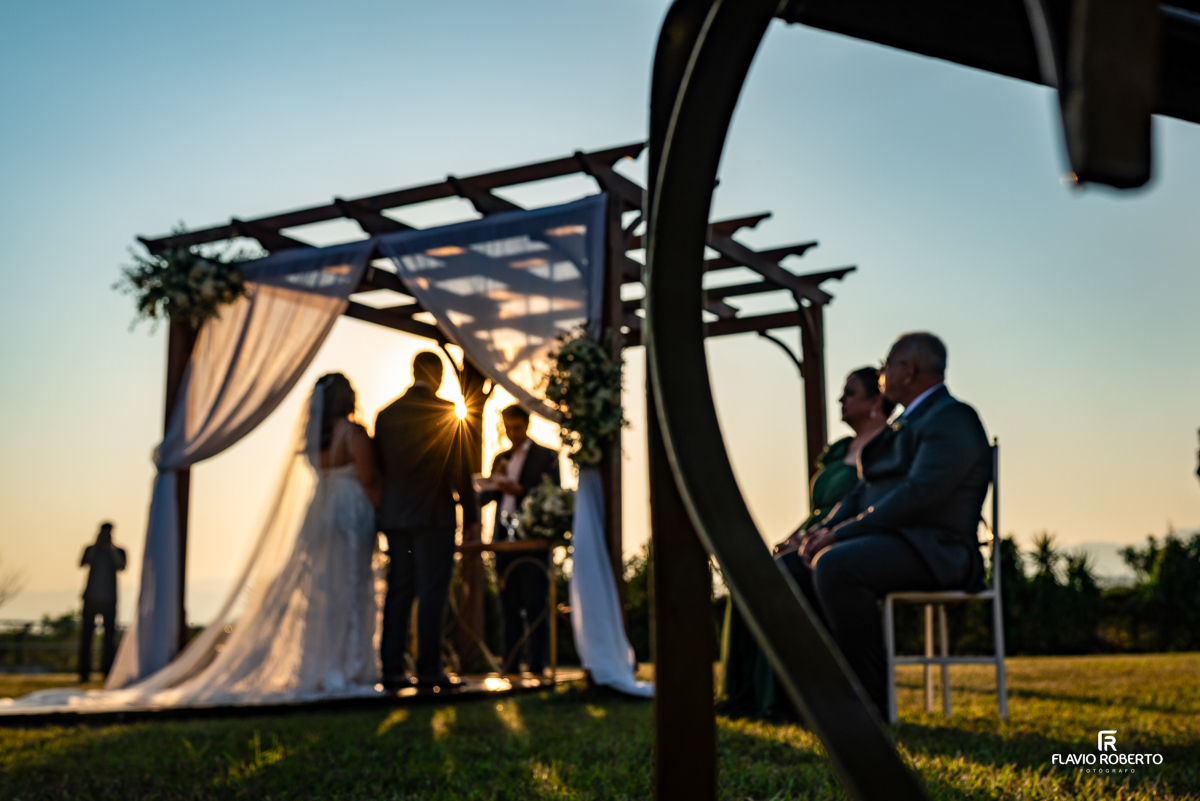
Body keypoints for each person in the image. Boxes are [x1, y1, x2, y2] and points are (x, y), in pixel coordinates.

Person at [785, 332, 990, 717]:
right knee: (790, 567)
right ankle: (801, 699)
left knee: (836, 564)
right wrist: (818, 532)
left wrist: (840, 536)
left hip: (935, 551)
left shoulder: (953, 419)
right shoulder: (902, 427)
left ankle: (865, 704)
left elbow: (918, 496)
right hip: (887, 543)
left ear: (908, 371)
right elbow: (862, 494)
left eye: (886, 364)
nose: (881, 371)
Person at [719, 367, 893, 719]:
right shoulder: (839, 450)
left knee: (784, 577)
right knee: (750, 575)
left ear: (876, 402)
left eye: (850, 394)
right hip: (816, 530)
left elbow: (872, 505)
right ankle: (744, 693)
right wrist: (798, 536)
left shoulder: (889, 447)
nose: (840, 400)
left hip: (848, 539)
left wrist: (818, 539)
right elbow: (822, 509)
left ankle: (783, 698)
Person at [375, 352, 480, 689]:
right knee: (432, 591)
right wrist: (472, 514)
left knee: (399, 591)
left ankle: (391, 669)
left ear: (414, 372)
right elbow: (461, 469)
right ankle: (429, 670)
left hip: (396, 517)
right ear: (437, 375)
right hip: (433, 516)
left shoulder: (386, 415)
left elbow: (380, 469)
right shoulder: (447, 411)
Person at [479, 404, 561, 676]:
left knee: (536, 605)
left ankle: (538, 666)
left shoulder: (546, 456)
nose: (512, 433)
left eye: (517, 427)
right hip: (503, 538)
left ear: (526, 425)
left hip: (531, 538)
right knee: (508, 606)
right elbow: (485, 499)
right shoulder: (500, 457)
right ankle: (510, 665)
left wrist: (521, 490)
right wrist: (495, 480)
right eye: (508, 428)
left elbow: (552, 495)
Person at [78, 523, 126, 682]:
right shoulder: (91, 549)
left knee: (109, 638)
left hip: (109, 599)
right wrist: (96, 545)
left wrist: (111, 548)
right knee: (86, 637)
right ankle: (84, 672)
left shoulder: (118, 551)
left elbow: (122, 566)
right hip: (91, 598)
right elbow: (83, 563)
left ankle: (108, 671)